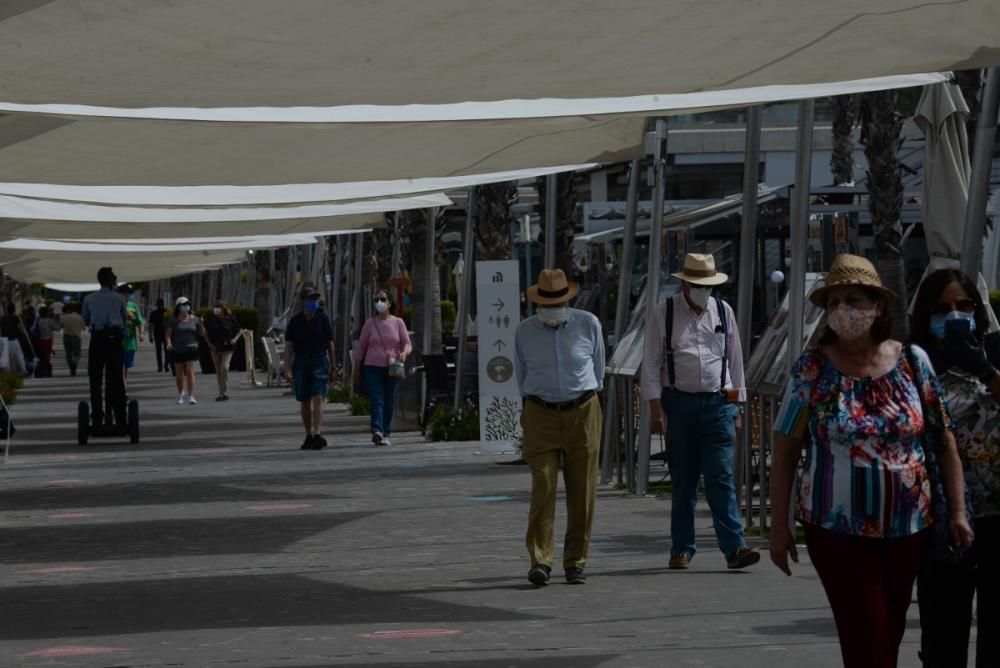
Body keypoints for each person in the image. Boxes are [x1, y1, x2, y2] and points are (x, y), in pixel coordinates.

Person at [770, 254, 974, 668]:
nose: (842, 309)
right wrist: (779, 526)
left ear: (878, 306)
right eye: (834, 301)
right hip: (836, 527)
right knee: (867, 634)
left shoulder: (912, 361)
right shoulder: (812, 369)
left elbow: (944, 438)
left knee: (889, 632)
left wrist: (957, 511)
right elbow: (786, 448)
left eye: (854, 299)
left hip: (908, 526)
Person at [641, 252, 758, 571]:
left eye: (709, 285)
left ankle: (735, 547)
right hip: (679, 404)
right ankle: (682, 548)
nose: (704, 291)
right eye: (698, 285)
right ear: (686, 285)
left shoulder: (723, 310)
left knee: (721, 476)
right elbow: (651, 364)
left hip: (719, 403)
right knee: (683, 480)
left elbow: (734, 362)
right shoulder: (663, 314)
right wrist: (656, 409)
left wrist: (736, 407)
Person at [910, 268, 999, 668]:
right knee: (944, 633)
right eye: (943, 308)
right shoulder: (912, 364)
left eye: (964, 306)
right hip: (941, 519)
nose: (955, 314)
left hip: (997, 513)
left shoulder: (992, 355)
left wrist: (985, 369)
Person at [515, 268, 605, 586]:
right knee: (543, 486)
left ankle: (575, 561)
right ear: (538, 302)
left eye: (558, 300)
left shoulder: (588, 324)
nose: (553, 306)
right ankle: (540, 560)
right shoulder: (524, 331)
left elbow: (598, 369)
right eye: (547, 301)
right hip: (540, 412)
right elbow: (521, 373)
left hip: (583, 409)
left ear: (569, 299)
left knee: (583, 491)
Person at [353, 289, 412, 446]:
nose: (379, 302)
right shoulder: (370, 323)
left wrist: (404, 353)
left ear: (390, 302)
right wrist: (356, 369)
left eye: (383, 299)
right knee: (377, 399)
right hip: (372, 367)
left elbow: (407, 343)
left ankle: (386, 433)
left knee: (389, 400)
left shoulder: (398, 322)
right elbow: (361, 348)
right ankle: (377, 430)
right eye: (377, 299)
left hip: (393, 367)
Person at [283, 286, 336, 450]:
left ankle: (318, 433)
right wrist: (287, 368)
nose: (313, 302)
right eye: (310, 299)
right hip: (301, 362)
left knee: (318, 397)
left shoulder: (323, 319)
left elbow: (330, 344)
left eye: (315, 299)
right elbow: (289, 346)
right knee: (304, 399)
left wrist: (334, 367)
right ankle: (308, 435)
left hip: (319, 361)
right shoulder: (295, 321)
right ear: (302, 301)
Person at [81, 267, 128, 427]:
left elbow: (85, 320)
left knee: (95, 379)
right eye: (113, 276)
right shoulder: (120, 298)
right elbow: (124, 318)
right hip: (114, 340)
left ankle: (98, 416)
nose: (116, 278)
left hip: (98, 339)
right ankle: (120, 415)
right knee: (116, 380)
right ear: (108, 279)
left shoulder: (89, 299)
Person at [165, 296, 206, 405]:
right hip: (177, 350)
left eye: (187, 304)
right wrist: (169, 343)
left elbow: (202, 333)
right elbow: (168, 335)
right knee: (179, 375)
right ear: (178, 307)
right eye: (183, 304)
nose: (186, 306)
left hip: (191, 348)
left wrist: (201, 323)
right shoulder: (173, 320)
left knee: (190, 372)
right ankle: (180, 394)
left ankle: (191, 396)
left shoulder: (194, 319)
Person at [204, 300, 244, 401]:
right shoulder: (212, 320)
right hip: (215, 348)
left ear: (223, 309)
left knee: (224, 368)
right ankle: (221, 393)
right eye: (215, 307)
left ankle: (224, 390)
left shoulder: (230, 319)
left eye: (218, 307)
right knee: (218, 371)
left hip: (228, 347)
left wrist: (235, 339)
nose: (216, 309)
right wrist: (210, 344)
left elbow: (240, 330)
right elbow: (205, 333)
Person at [119, 284, 145, 381]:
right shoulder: (114, 305)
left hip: (130, 342)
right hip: (116, 341)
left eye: (128, 293)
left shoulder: (133, 306)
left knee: (125, 368)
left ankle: (123, 387)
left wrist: (141, 333)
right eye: (124, 293)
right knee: (119, 367)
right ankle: (122, 391)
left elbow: (140, 321)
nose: (127, 295)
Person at [1, 303, 29, 376]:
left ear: (7, 309)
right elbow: (21, 327)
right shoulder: (16, 317)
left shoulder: (3, 318)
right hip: (13, 340)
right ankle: (24, 369)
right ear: (14, 310)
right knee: (19, 354)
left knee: (5, 357)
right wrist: (24, 335)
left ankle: (5, 372)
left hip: (4, 340)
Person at [60, 303, 85, 376]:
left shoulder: (64, 317)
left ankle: (71, 367)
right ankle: (74, 364)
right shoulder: (79, 317)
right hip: (76, 338)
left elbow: (61, 325)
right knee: (77, 354)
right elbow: (83, 328)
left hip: (66, 337)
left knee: (68, 353)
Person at [31, 306, 56, 377]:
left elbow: (32, 329)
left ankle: (42, 370)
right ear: (47, 313)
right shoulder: (50, 321)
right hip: (48, 340)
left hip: (39, 340)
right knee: (47, 355)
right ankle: (47, 371)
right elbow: (56, 328)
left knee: (42, 355)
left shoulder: (38, 320)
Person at [148, 298, 171, 374]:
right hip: (166, 333)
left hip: (157, 334)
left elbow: (151, 325)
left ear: (156, 305)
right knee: (167, 350)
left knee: (158, 351)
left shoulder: (153, 313)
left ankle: (160, 367)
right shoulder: (167, 312)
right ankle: (166, 365)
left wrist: (150, 336)